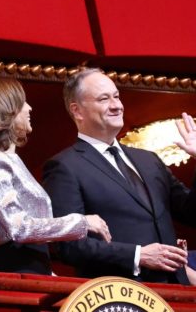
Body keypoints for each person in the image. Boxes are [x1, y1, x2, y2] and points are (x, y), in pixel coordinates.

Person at [43, 68, 196, 284]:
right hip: (119, 295)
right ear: (77, 111)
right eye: (104, 99)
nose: (116, 105)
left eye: (116, 96)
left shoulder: (149, 160)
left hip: (174, 295)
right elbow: (69, 246)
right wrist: (137, 255)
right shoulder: (64, 167)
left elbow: (191, 213)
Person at [0, 78, 111, 275]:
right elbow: (19, 227)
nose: (29, 108)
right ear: (6, 111)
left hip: (28, 268)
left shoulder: (11, 161)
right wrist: (82, 222)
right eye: (22, 103)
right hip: (10, 271)